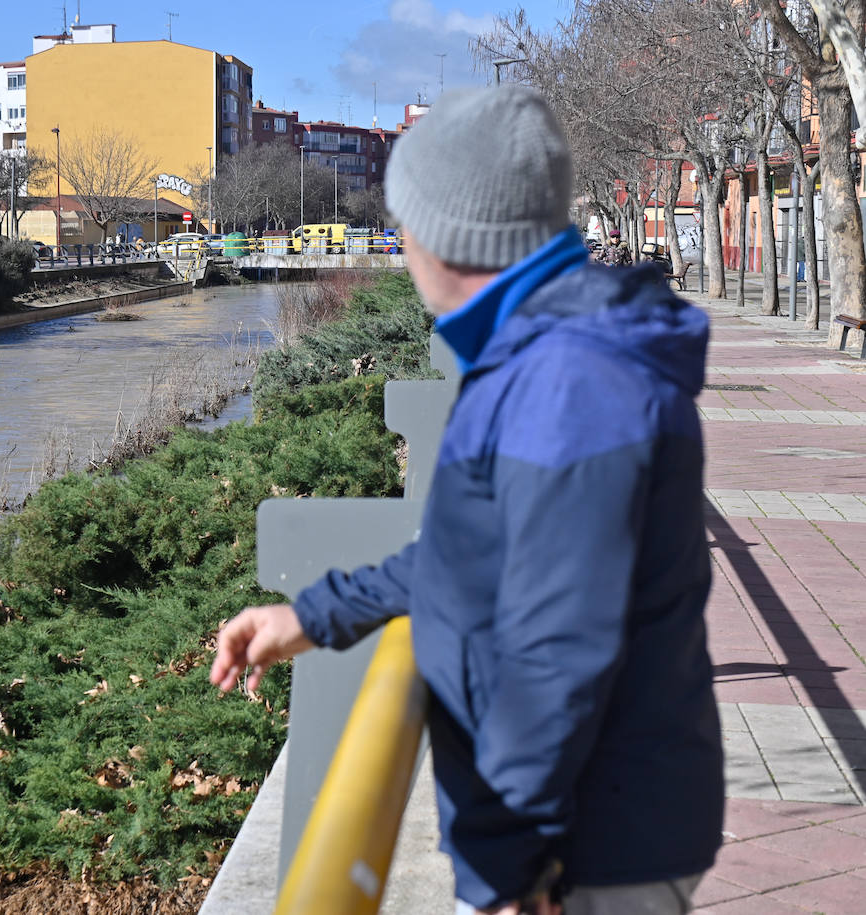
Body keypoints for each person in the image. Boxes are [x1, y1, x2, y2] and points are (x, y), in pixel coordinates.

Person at [210, 85, 722, 915]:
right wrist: (314, 615)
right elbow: (478, 546)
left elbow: (555, 654)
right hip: (587, 832)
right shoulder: (546, 352)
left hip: (590, 850)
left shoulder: (567, 384)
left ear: (445, 241)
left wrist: (512, 867)